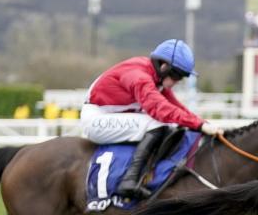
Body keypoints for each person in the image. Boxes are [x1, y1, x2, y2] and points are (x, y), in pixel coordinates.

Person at [81, 39, 218, 199]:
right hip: (96, 119)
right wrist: (199, 124)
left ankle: (150, 174)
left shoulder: (154, 76)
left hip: (111, 115)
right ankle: (129, 181)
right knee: (155, 123)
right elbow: (159, 109)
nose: (178, 81)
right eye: (177, 75)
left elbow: (176, 106)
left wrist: (203, 124)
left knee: (167, 124)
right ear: (163, 66)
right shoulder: (140, 77)